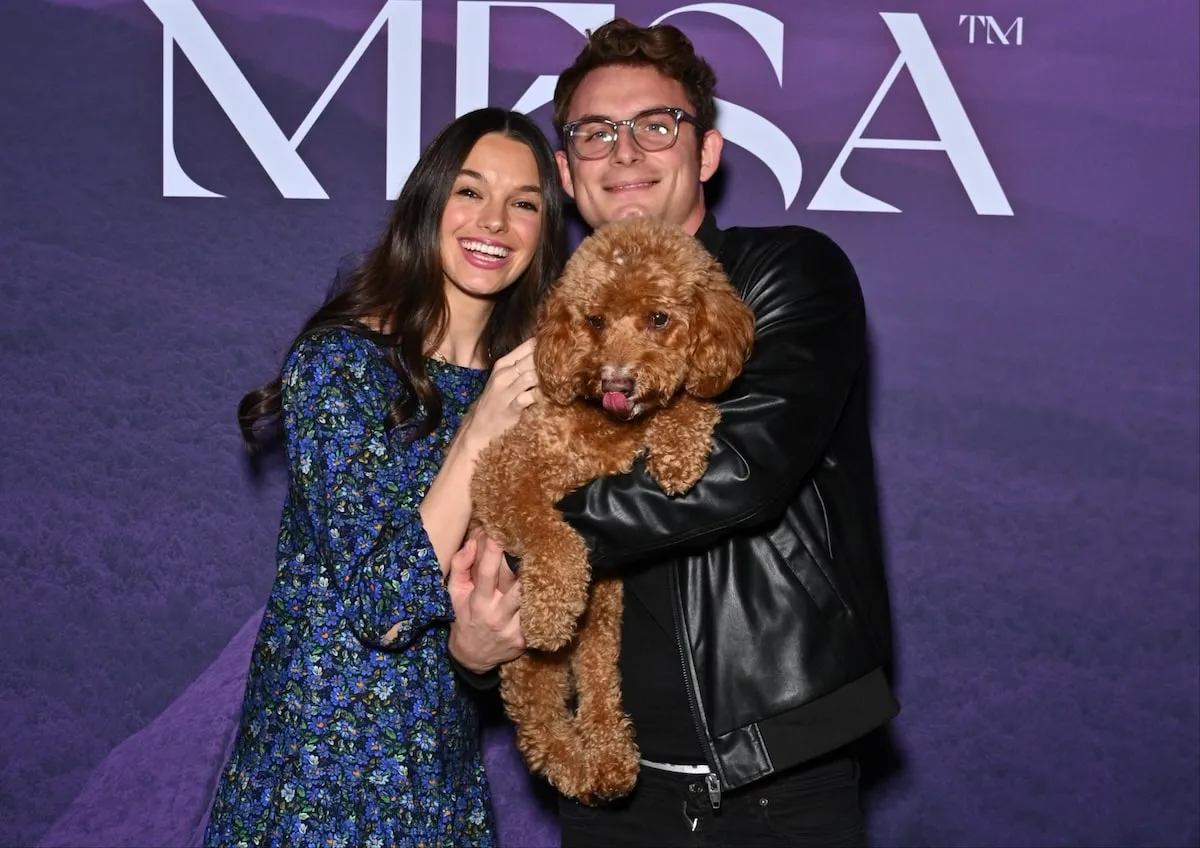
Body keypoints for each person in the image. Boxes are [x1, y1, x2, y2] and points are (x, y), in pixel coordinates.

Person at [450, 18, 901, 848]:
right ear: (566, 172)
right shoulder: (547, 332)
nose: (624, 153)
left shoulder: (788, 273)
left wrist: (528, 545)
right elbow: (481, 557)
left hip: (776, 781)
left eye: (656, 125)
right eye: (595, 133)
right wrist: (478, 639)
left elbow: (740, 470)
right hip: (605, 792)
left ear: (706, 154)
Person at [203, 106, 564, 848]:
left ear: (542, 230)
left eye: (523, 203)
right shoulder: (338, 367)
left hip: (438, 779)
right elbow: (385, 606)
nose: (493, 221)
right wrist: (479, 428)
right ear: (430, 203)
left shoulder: (537, 394)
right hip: (314, 774)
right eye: (469, 192)